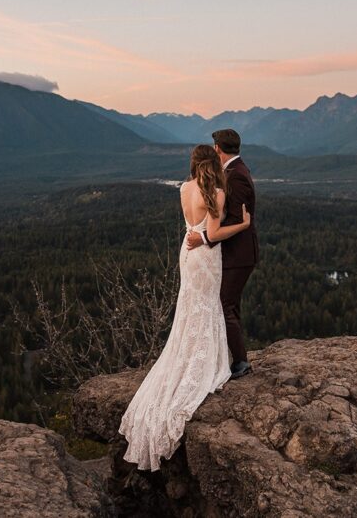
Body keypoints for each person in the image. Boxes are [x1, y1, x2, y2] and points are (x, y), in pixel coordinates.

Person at [118, 144, 251, 471]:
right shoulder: (217, 193)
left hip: (187, 253)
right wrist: (244, 225)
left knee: (192, 307)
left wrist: (201, 235)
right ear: (213, 164)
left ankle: (187, 353)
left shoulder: (184, 188)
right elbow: (214, 233)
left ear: (193, 165)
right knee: (206, 307)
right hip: (206, 254)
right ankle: (204, 361)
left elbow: (193, 227)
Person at [186, 128, 258, 379]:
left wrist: (204, 237)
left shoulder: (236, 176)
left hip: (238, 255)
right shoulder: (236, 171)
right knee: (230, 305)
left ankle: (240, 362)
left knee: (224, 305)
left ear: (218, 149)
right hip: (236, 254)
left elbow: (239, 219)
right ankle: (235, 358)